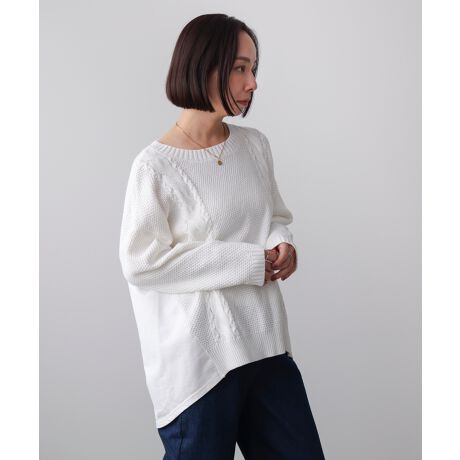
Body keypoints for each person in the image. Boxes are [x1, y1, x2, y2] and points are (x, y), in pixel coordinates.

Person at [118, 13, 326, 460]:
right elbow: (141, 262)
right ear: (203, 67)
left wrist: (281, 241)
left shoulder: (254, 145)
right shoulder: (155, 167)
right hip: (201, 365)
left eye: (253, 68)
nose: (253, 83)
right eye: (240, 68)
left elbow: (273, 214)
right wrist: (249, 262)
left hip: (266, 345)